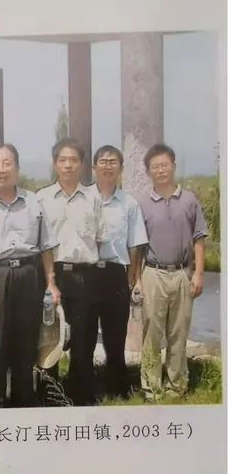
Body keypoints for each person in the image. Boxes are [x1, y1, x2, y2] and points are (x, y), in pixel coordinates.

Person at [0, 143, 60, 408]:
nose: (1, 169)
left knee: (25, 343)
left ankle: (23, 403)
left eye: (7, 163)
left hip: (28, 275)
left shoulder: (34, 202)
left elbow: (46, 247)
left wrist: (51, 283)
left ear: (17, 169)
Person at [37, 138, 107, 406]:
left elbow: (99, 238)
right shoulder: (42, 198)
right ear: (55, 164)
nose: (68, 165)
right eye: (63, 160)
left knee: (83, 336)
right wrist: (49, 279)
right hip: (51, 274)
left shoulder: (93, 198)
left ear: (82, 164)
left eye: (73, 160)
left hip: (84, 275)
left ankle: (81, 394)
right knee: (49, 336)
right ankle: (49, 395)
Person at [136, 143, 208, 401]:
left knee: (179, 332)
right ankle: (151, 387)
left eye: (164, 165)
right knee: (152, 333)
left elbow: (199, 239)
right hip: (153, 273)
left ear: (173, 166)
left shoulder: (189, 200)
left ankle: (176, 386)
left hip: (182, 274)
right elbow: (137, 246)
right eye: (155, 166)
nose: (161, 170)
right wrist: (137, 280)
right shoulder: (142, 203)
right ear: (149, 171)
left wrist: (198, 274)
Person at [90, 145, 148, 398]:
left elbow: (135, 244)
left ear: (121, 169)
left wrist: (132, 277)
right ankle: (84, 389)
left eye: (113, 162)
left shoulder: (129, 203)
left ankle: (117, 390)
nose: (108, 166)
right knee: (84, 336)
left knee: (115, 336)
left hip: (115, 274)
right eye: (103, 161)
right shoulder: (82, 198)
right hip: (86, 273)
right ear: (94, 167)